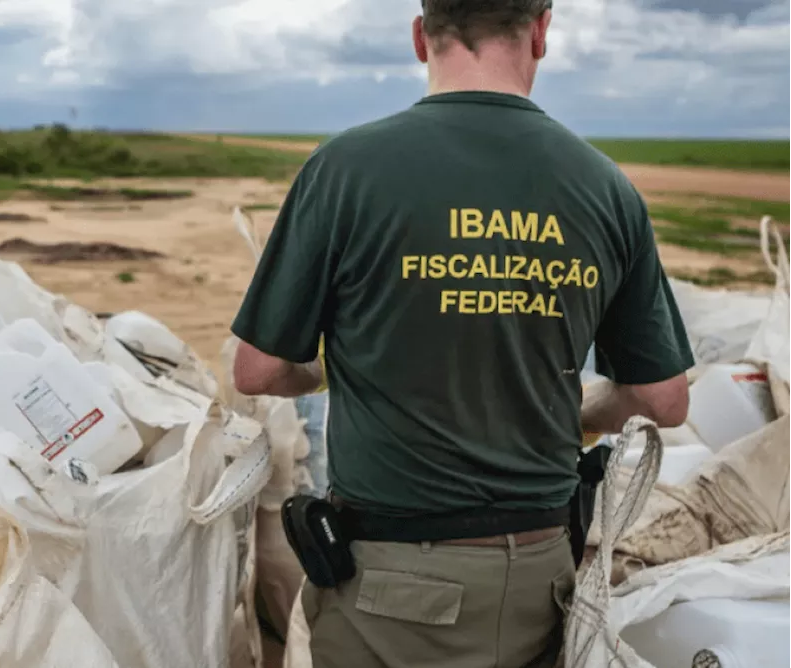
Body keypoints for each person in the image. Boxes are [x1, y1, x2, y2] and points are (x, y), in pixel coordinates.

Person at [229, 1, 694, 666]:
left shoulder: (344, 170)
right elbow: (664, 401)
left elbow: (257, 371)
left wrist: (331, 366)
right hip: (545, 580)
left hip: (389, 593)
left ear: (422, 36)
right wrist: (579, 415)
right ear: (539, 31)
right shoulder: (605, 187)